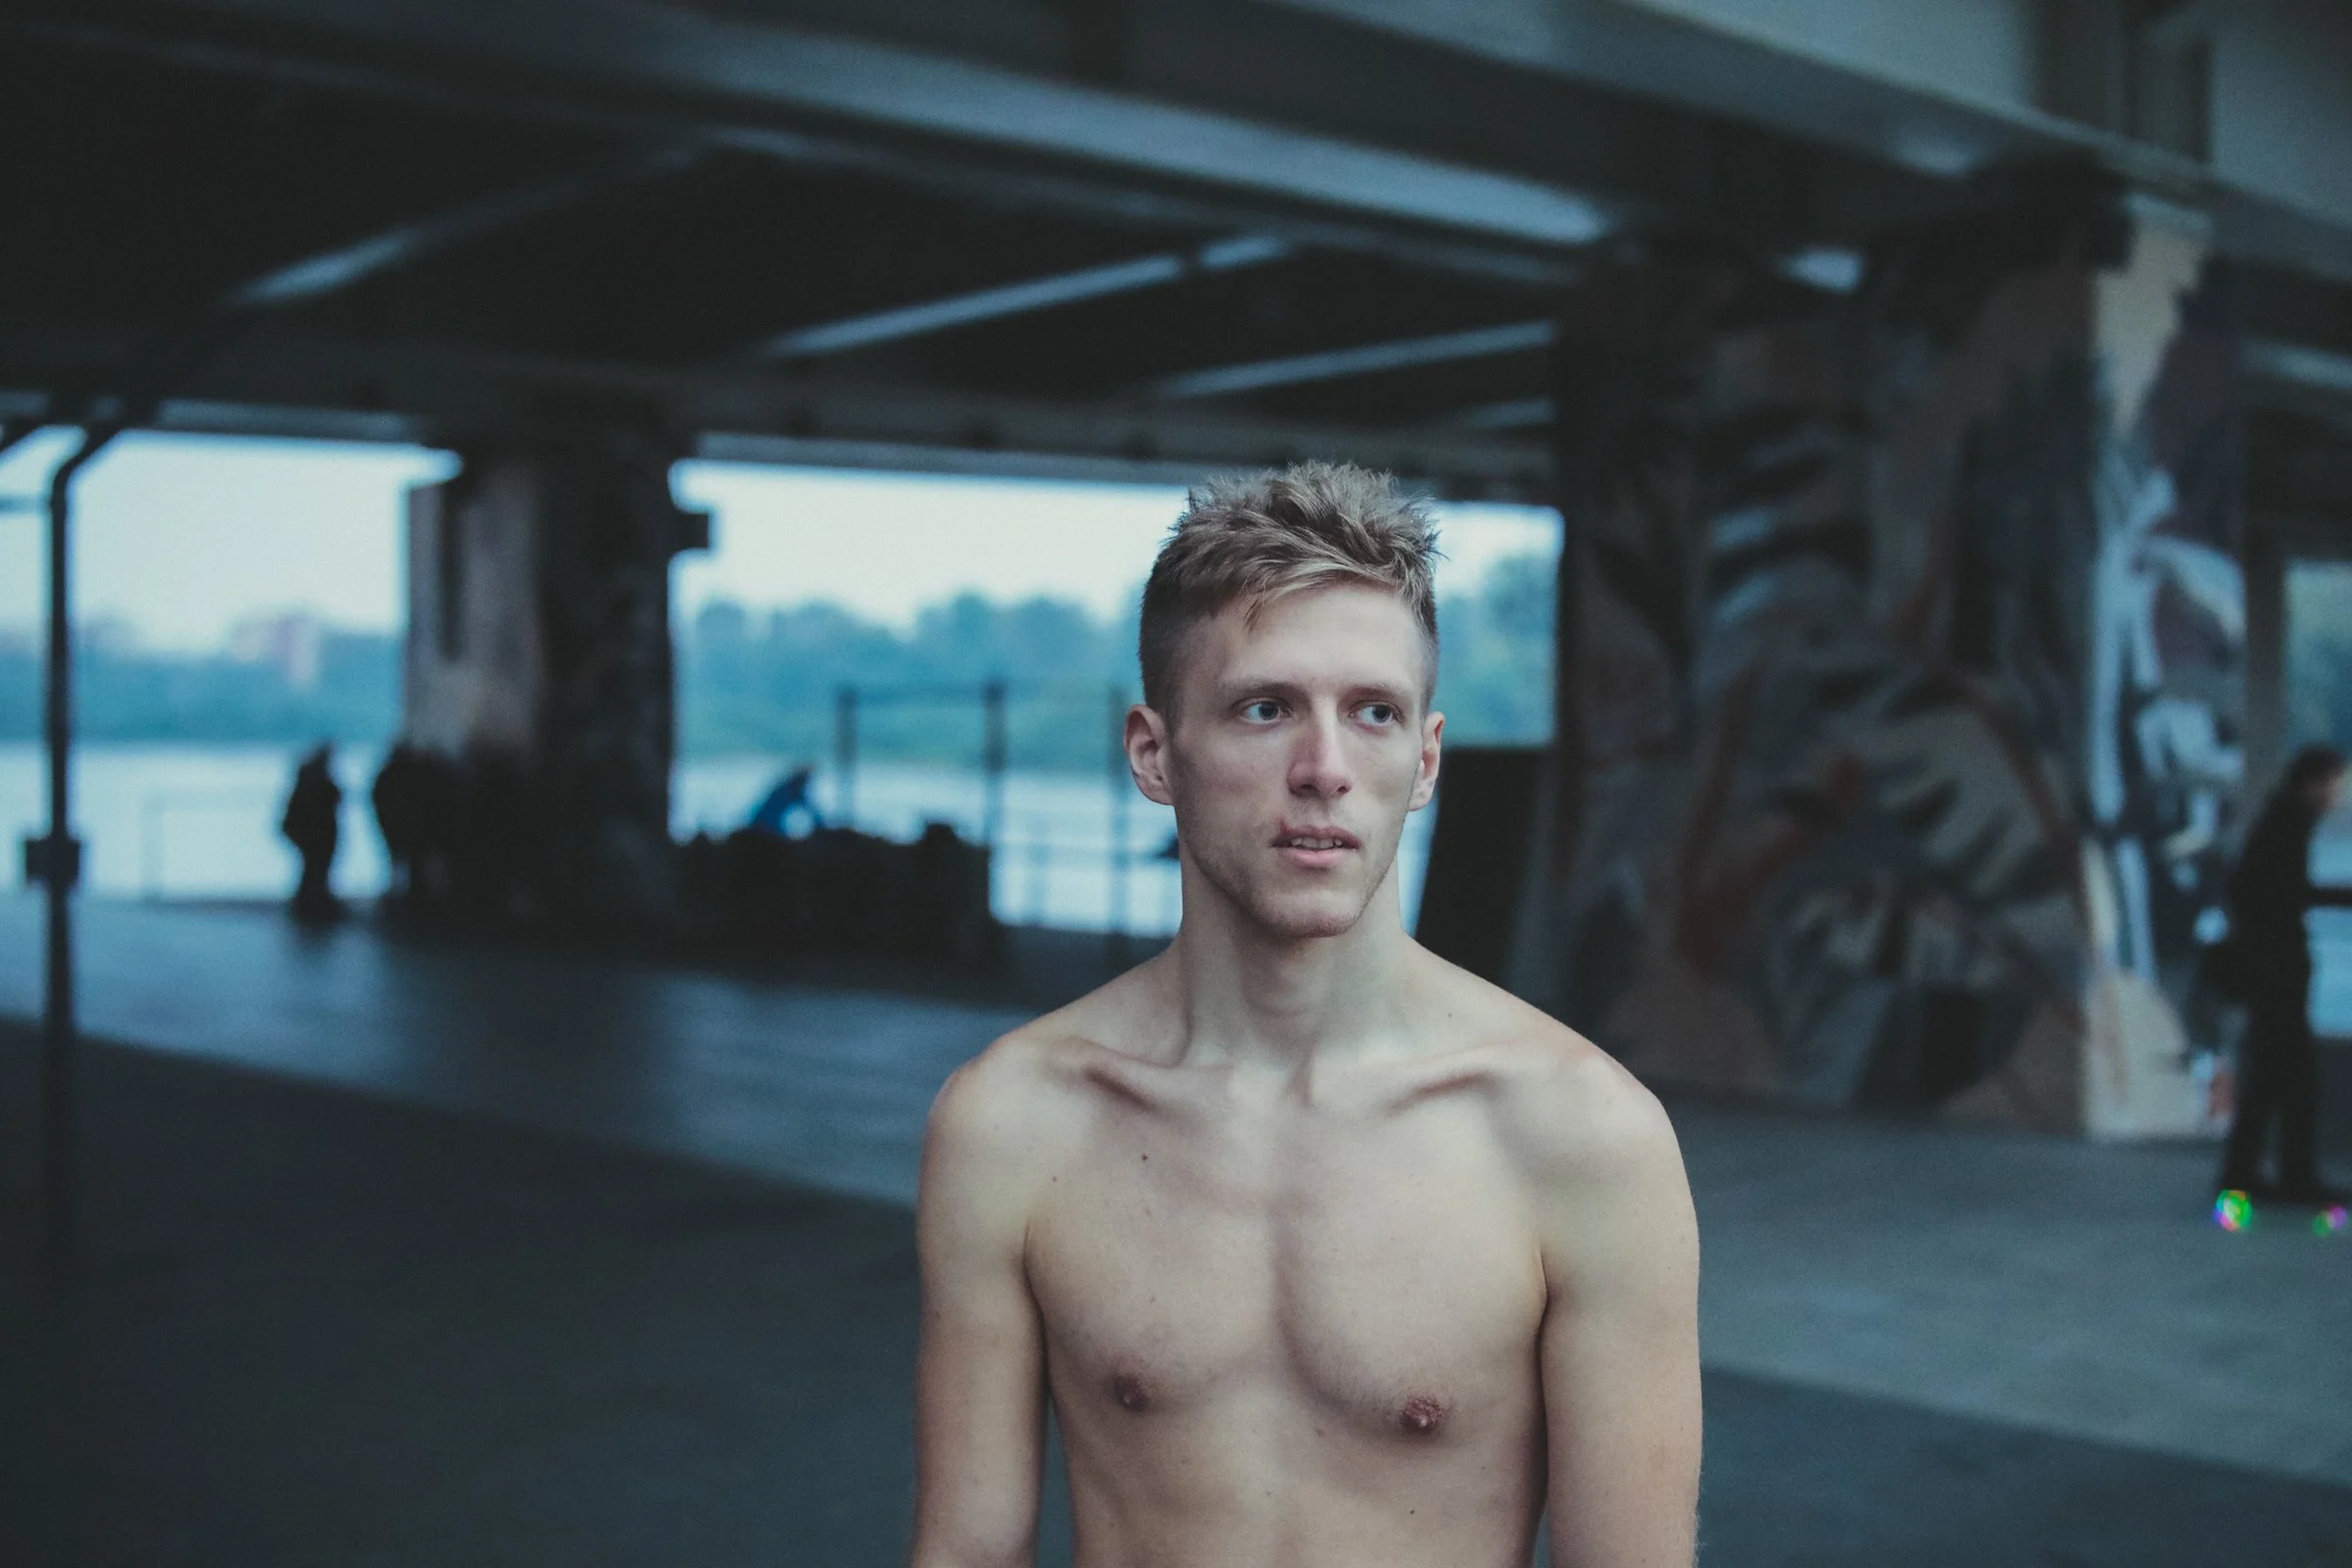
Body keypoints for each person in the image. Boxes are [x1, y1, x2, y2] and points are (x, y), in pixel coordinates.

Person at [910, 465, 1700, 1568]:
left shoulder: (1582, 1136)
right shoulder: (1012, 1123)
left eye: (1373, 714)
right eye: (1265, 708)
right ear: (1154, 752)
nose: (1325, 770)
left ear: (1422, 761)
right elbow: (965, 1554)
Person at [2217, 742, 2352, 1205]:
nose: (2336, 793)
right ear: (2311, 782)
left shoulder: (2285, 819)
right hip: (2278, 970)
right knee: (2292, 1076)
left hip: (2272, 967)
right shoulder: (2288, 823)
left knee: (2275, 1076)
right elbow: (2272, 892)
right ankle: (2291, 1177)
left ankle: (2245, 1174)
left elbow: (2261, 890)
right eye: (2332, 783)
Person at [280, 741, 344, 923]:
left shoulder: (308, 777)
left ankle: (309, 904)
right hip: (315, 835)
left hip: (311, 835)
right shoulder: (317, 780)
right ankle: (311, 904)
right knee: (315, 870)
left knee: (312, 870)